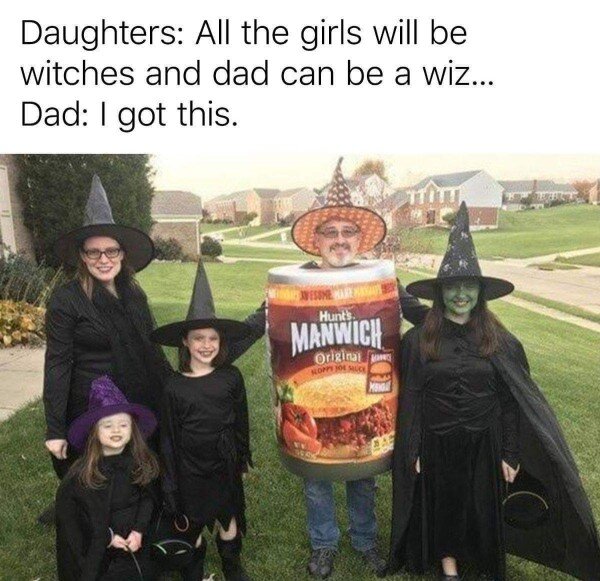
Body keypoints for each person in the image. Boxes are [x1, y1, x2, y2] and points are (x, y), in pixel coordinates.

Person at [227, 158, 428, 579]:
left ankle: (365, 540)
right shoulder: (292, 284)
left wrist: (464, 329)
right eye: (330, 232)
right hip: (309, 410)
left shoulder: (382, 281)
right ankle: (324, 543)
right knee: (316, 478)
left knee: (363, 474)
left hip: (369, 403)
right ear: (315, 240)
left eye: (347, 231)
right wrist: (215, 352)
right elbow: (257, 322)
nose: (339, 239)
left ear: (360, 238)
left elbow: (421, 315)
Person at [387, 202, 600, 580]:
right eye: (452, 286)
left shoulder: (500, 341)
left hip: (484, 443)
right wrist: (414, 447)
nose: (460, 294)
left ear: (480, 292)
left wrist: (511, 452)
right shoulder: (419, 340)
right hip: (438, 443)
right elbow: (414, 395)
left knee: (480, 507)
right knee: (446, 505)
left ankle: (480, 559)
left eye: (468, 286)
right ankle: (449, 567)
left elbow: (510, 401)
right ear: (440, 292)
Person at [43, 175, 171, 494]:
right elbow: (57, 365)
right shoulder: (66, 300)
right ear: (82, 257)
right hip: (92, 406)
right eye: (94, 252)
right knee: (99, 487)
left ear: (122, 254)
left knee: (140, 479)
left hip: (137, 397)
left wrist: (175, 390)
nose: (104, 260)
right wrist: (55, 429)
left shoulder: (134, 295)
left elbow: (152, 349)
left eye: (111, 251)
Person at [152, 261, 253, 581]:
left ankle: (232, 567)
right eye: (198, 338)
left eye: (212, 338)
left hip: (223, 463)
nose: (206, 345)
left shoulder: (231, 377)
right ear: (185, 341)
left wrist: (242, 456)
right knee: (191, 523)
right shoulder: (174, 386)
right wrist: (170, 481)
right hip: (189, 469)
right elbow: (168, 437)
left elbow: (241, 421)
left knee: (228, 516)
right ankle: (192, 570)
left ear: (221, 341)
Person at [55, 375, 160, 580]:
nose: (116, 430)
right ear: (94, 431)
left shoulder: (140, 461)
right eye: (107, 425)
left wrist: (138, 531)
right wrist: (108, 537)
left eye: (123, 425)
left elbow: (148, 498)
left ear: (133, 429)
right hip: (99, 541)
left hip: (135, 538)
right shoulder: (83, 474)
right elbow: (76, 519)